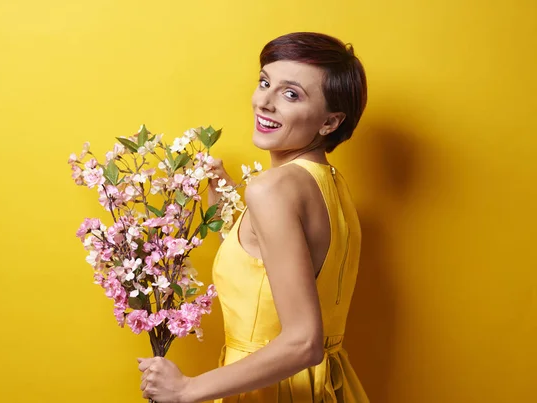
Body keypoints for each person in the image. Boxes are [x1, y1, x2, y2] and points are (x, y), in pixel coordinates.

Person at [138, 31, 369, 403]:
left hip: (274, 390)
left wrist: (187, 389)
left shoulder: (272, 189)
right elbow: (263, 276)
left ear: (329, 123)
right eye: (265, 82)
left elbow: (303, 342)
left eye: (291, 94)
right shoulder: (332, 186)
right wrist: (229, 203)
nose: (265, 102)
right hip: (323, 387)